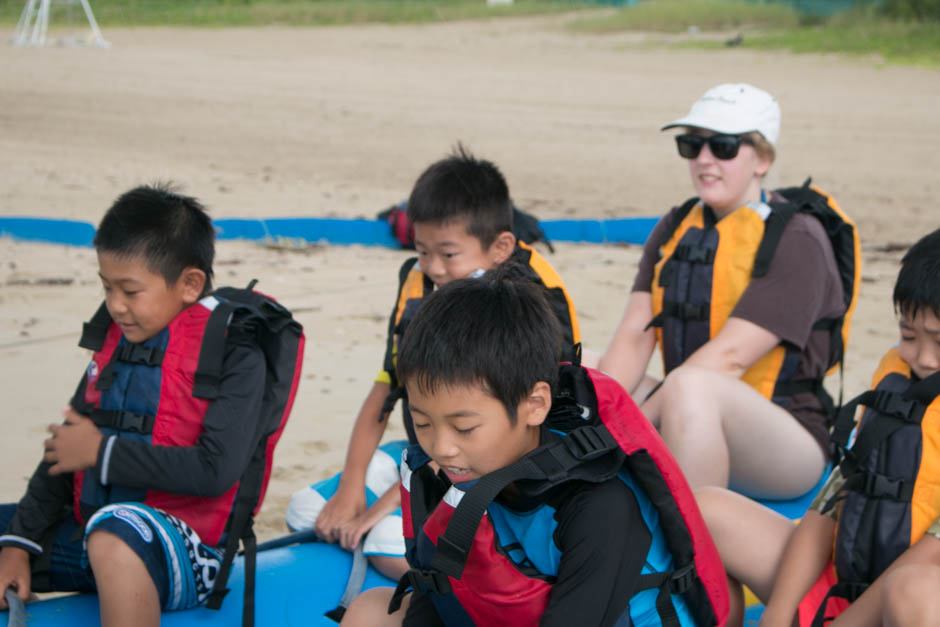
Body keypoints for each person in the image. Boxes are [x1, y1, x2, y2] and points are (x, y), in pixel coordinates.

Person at [339, 270, 730, 627]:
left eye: (464, 427)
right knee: (372, 612)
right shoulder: (464, 476)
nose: (442, 448)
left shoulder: (599, 507)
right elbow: (438, 592)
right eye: (422, 423)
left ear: (535, 405)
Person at [0, 185, 291, 626]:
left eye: (130, 291)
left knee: (118, 529)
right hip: (93, 535)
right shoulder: (120, 341)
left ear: (190, 284)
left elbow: (216, 471)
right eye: (106, 287)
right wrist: (19, 544)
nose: (115, 305)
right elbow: (66, 451)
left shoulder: (236, 351)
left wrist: (102, 454)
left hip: (189, 555)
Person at [288, 145, 580, 580]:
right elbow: (387, 388)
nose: (434, 268)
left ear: (501, 246)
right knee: (305, 511)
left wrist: (391, 502)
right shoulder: (418, 281)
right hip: (425, 450)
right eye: (423, 251)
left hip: (492, 466)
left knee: (387, 542)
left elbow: (531, 431)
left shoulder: (533, 299)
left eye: (448, 254)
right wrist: (352, 487)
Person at [599, 83, 858, 498]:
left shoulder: (797, 238)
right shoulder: (675, 225)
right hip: (687, 411)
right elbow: (634, 333)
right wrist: (594, 416)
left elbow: (729, 358)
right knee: (585, 369)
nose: (704, 160)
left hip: (786, 438)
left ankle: (696, 544)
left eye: (723, 147)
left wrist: (625, 432)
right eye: (692, 145)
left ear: (763, 159)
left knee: (691, 384)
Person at [696, 228, 940, 627]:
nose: (924, 359)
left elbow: (929, 556)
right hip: (848, 585)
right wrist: (777, 613)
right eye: (909, 335)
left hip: (913, 604)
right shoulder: (896, 379)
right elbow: (834, 497)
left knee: (911, 588)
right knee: (706, 509)